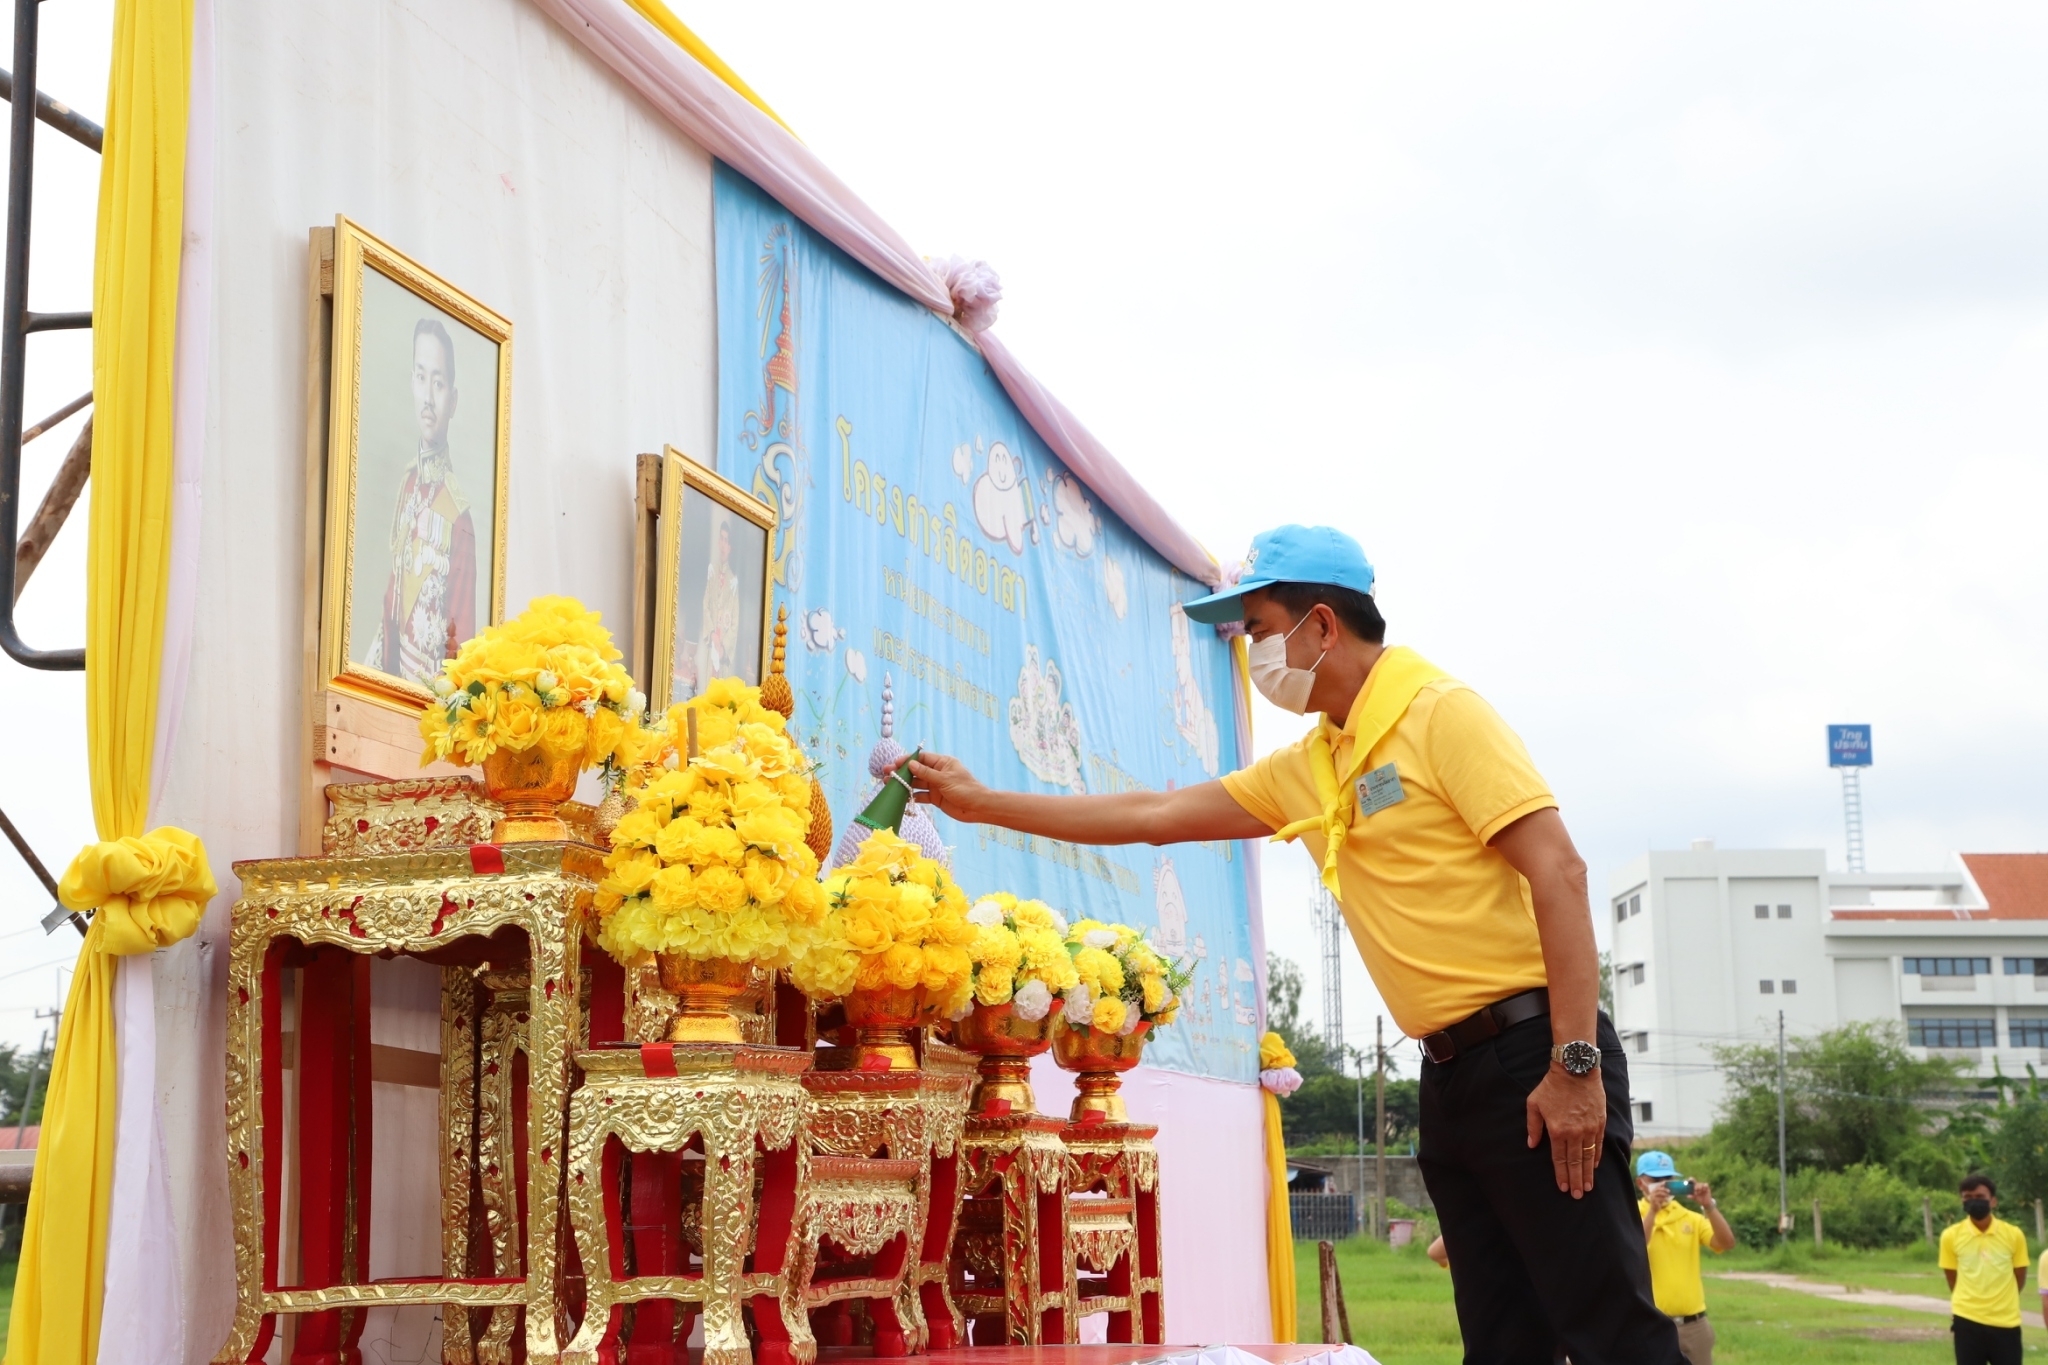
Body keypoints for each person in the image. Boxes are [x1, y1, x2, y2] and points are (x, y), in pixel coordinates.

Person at [902, 525, 1680, 1365]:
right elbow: (1154, 815)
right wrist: (983, 804)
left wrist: (1574, 1065)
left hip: (1535, 1053)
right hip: (1451, 1075)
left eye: (1261, 630)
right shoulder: (1314, 763)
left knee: (1612, 1334)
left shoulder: (1439, 713)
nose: (1254, 655)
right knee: (1502, 1342)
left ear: (1322, 624)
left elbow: (1560, 870)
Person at [368, 317, 476, 684]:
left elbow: (460, 645)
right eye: (421, 377)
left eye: (439, 383)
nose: (428, 398)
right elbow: (392, 601)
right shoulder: (408, 483)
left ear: (453, 400)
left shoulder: (459, 518)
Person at [1633, 1151, 1733, 1364]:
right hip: (1651, 1324)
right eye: (1656, 1179)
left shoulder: (1689, 1217)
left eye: (1668, 1179)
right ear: (1641, 1183)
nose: (1663, 1184)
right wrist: (1653, 1211)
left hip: (1694, 1326)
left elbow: (1725, 1242)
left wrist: (1708, 1205)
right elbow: (1636, 1245)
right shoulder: (1631, 1215)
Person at [1941, 1173, 2027, 1365]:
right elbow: (1952, 1278)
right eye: (1968, 1197)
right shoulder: (1950, 1236)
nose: (1974, 1201)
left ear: (1993, 1201)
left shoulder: (2014, 1235)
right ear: (1962, 1201)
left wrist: (2002, 1299)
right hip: (1967, 1320)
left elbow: (2019, 1276)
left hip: (2006, 1321)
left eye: (1980, 1197)